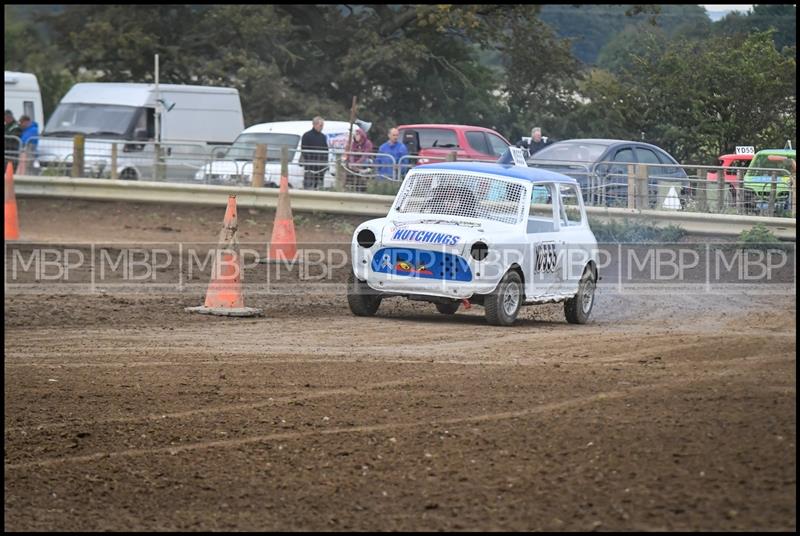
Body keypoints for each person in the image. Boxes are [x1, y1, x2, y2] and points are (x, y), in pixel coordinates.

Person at [300, 116, 329, 190]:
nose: (322, 127)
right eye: (320, 125)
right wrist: (311, 162)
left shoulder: (323, 136)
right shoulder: (306, 135)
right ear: (315, 125)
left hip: (321, 167)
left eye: (322, 125)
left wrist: (324, 163)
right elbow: (304, 150)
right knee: (308, 186)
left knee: (319, 187)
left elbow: (326, 150)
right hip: (310, 167)